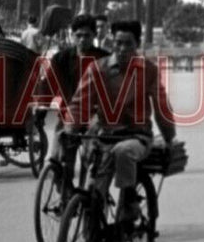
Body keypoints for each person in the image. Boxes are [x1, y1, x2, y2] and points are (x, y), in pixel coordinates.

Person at [70, 19, 178, 228]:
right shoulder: (97, 69)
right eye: (117, 43)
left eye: (128, 44)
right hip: (103, 136)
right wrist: (70, 128)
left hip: (136, 137)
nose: (121, 49)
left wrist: (169, 137)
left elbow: (161, 106)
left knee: (123, 151)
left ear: (137, 44)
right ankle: (90, 231)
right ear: (111, 42)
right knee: (94, 190)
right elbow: (79, 102)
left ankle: (129, 201)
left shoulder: (148, 71)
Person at [46, 13, 108, 164]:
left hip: (96, 114)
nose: (82, 39)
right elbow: (47, 83)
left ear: (94, 35)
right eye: (78, 35)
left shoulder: (104, 58)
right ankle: (64, 182)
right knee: (58, 157)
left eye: (87, 35)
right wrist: (39, 104)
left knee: (92, 154)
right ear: (72, 35)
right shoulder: (61, 58)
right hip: (69, 111)